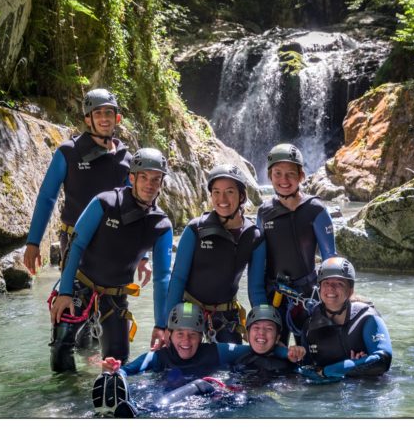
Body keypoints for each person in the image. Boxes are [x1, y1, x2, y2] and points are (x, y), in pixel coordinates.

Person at [48, 147, 173, 373]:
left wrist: (161, 325)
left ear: (162, 183)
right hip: (79, 288)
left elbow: (163, 278)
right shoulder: (104, 202)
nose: (149, 184)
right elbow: (75, 246)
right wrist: (65, 292)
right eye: (143, 177)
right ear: (132, 177)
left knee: (117, 365)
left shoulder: (161, 225)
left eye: (156, 179)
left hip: (115, 299)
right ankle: (63, 401)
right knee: (61, 344)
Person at [23, 88, 150, 282]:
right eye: (97, 113)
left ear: (118, 118)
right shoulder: (68, 152)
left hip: (114, 243)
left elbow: (134, 208)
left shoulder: (127, 159)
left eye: (108, 112)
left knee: (113, 305)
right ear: (88, 119)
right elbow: (47, 197)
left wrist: (144, 256)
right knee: (73, 304)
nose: (104, 118)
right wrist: (33, 242)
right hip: (76, 243)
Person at [94, 302, 304, 416]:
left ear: (201, 336)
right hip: (163, 395)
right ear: (168, 335)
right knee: (142, 390)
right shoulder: (158, 356)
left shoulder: (215, 351)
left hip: (195, 401)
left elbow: (257, 349)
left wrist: (287, 353)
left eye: (193, 334)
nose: (186, 340)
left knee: (209, 386)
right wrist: (113, 371)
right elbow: (128, 370)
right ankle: (122, 406)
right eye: (180, 334)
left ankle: (137, 413)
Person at [165, 164, 267, 344]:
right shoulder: (195, 229)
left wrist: (266, 324)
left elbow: (256, 289)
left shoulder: (254, 236)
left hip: (226, 315)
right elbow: (178, 278)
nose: (222, 199)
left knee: (231, 370)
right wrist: (166, 325)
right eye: (216, 192)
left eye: (229, 192)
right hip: (189, 309)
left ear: (242, 196)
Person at [257, 143, 337, 345]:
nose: (284, 180)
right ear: (269, 176)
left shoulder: (315, 210)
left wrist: (335, 298)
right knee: (275, 356)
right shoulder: (264, 212)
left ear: (301, 176)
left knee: (310, 355)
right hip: (273, 295)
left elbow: (330, 260)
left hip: (307, 295)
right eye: (277, 173)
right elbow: (258, 261)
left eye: (290, 174)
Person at [300, 256, 392, 378]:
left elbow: (382, 360)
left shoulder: (367, 318)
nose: (331, 288)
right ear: (320, 288)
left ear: (350, 291)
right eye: (326, 282)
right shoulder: (310, 325)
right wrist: (356, 364)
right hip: (327, 390)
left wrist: (328, 371)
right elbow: (306, 368)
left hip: (366, 388)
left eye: (339, 283)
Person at [232, 304, 305, 377]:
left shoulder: (290, 362)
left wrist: (299, 355)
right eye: (256, 327)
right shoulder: (240, 363)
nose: (261, 332)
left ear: (277, 338)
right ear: (247, 335)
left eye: (269, 328)